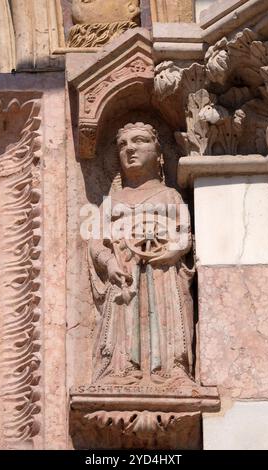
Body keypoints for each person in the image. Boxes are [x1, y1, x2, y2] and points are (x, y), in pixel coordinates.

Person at [88, 123, 194, 387]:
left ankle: (172, 368)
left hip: (164, 274)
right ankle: (120, 370)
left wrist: (173, 251)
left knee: (168, 316)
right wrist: (110, 261)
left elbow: (185, 234)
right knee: (123, 318)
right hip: (124, 274)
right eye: (122, 144)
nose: (130, 149)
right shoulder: (111, 201)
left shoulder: (170, 195)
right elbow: (95, 243)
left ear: (158, 153)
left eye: (139, 141)